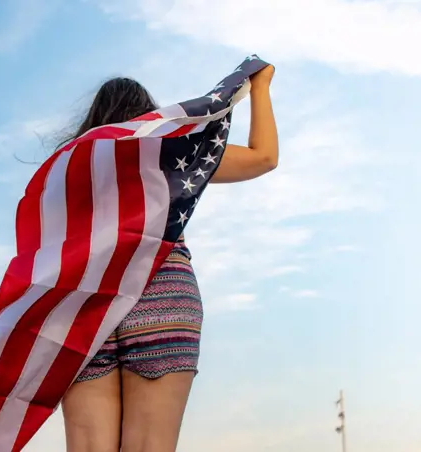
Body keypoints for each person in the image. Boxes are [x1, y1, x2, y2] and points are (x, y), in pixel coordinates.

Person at [60, 65, 278, 452]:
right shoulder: (169, 150)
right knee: (150, 445)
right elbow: (264, 158)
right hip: (161, 289)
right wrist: (260, 87)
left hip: (83, 299)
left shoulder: (69, 163)